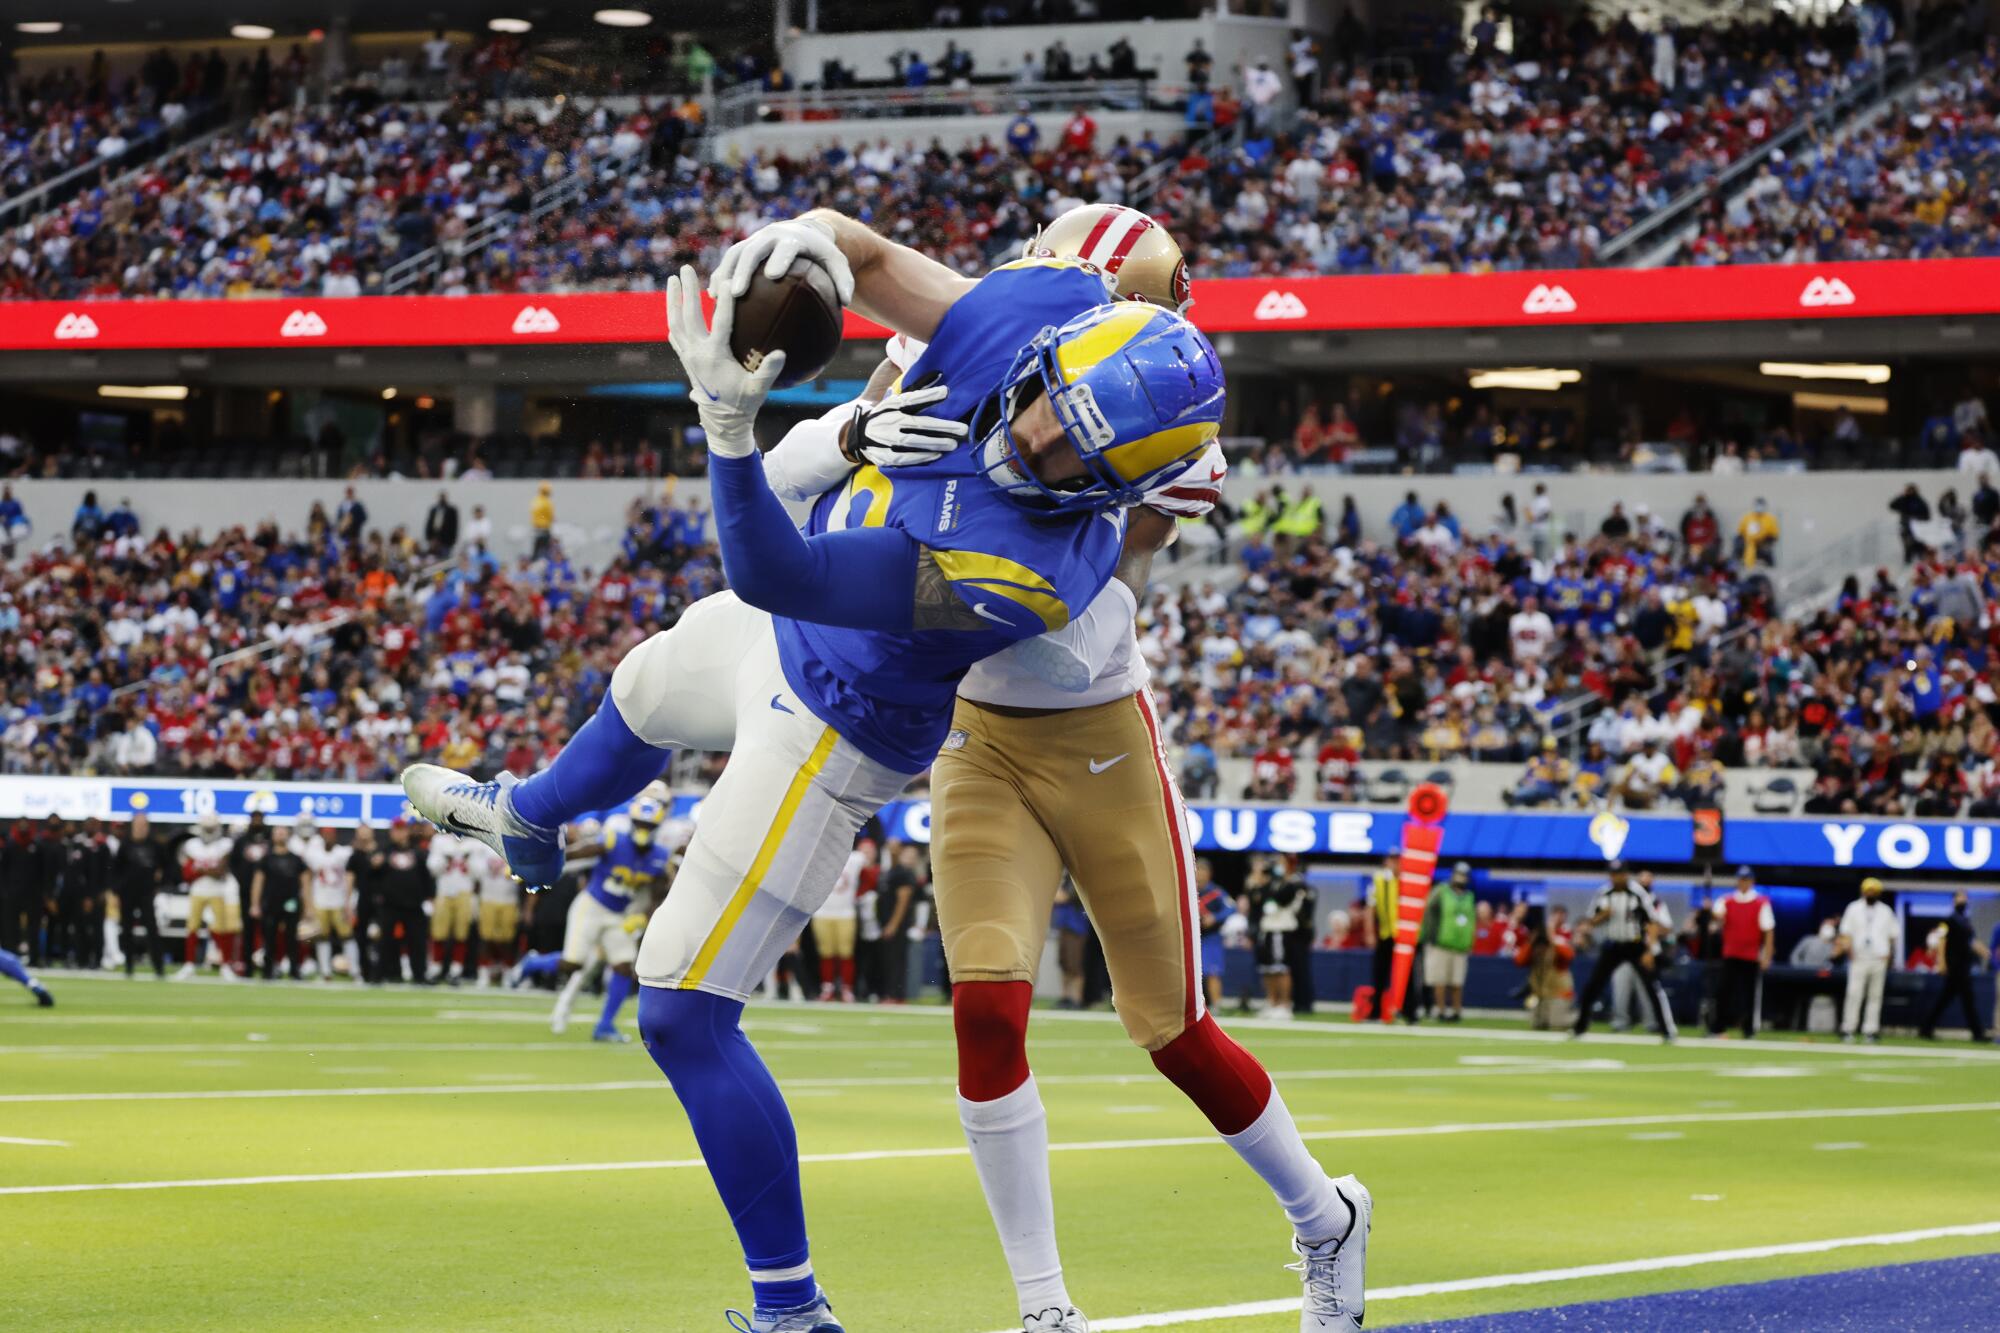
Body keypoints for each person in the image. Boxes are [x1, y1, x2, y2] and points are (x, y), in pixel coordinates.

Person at [403, 209, 1227, 1333]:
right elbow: (867, 254)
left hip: (833, 722)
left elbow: (774, 563)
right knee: (642, 690)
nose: (1034, 438)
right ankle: (528, 817)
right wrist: (796, 253)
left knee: (680, 1011)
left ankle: (788, 1309)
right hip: (773, 633)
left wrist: (728, 427)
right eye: (1047, 405)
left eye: (1069, 453)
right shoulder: (1042, 311)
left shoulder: (1027, 571)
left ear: (1111, 493)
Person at [511, 789, 676, 1040]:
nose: (643, 828)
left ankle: (605, 1026)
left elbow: (659, 893)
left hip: (618, 915)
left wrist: (644, 916)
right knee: (573, 962)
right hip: (592, 906)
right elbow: (578, 852)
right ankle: (532, 963)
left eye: (648, 824)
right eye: (640, 823)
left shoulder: (660, 856)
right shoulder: (613, 840)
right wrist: (539, 861)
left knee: (623, 967)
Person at [1570, 863, 1675, 1042]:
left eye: (1619, 874)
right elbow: (1590, 922)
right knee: (1593, 986)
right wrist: (1603, 915)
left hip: (1635, 945)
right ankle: (1580, 1027)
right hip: (1613, 945)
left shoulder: (1638, 893)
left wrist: (1649, 951)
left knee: (1651, 987)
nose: (1616, 878)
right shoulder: (1604, 893)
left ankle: (1666, 1030)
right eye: (1613, 874)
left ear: (1626, 875)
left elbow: (1651, 923)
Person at [297, 817, 363, 983]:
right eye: (325, 834)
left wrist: (349, 901)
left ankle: (355, 971)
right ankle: (325, 972)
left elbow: (352, 870)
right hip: (320, 900)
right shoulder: (314, 854)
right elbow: (306, 876)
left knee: (347, 936)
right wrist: (308, 903)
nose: (328, 837)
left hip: (339, 901)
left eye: (331, 834)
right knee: (322, 937)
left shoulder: (343, 853)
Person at [1710, 866, 1773, 1038]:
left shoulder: (1761, 903)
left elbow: (1768, 930)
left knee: (1749, 994)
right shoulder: (1727, 901)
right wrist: (1711, 912)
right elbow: (1717, 919)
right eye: (1741, 879)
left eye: (1746, 879)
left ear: (1752, 881)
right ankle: (1718, 1028)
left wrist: (1767, 955)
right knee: (1724, 992)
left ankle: (1749, 1029)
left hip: (1751, 954)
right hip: (1731, 953)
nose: (1743, 883)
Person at [175, 814, 240, 981]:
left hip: (217, 891)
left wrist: (201, 869)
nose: (209, 831)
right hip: (197, 890)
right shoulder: (192, 845)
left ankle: (225, 965)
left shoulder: (224, 844)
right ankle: (189, 964)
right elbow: (187, 873)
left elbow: (220, 872)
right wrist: (207, 869)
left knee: (221, 928)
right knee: (192, 927)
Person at [1919, 891, 1989, 1042]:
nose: (1962, 901)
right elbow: (1942, 941)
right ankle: (1977, 1033)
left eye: (1964, 898)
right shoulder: (1948, 920)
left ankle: (1926, 1028)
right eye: (1960, 898)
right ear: (1953, 901)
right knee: (1965, 1000)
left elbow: (1972, 942)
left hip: (1964, 966)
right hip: (1953, 966)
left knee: (1948, 1000)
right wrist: (1942, 962)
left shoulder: (1966, 921)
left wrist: (1987, 954)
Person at [1835, 877, 1897, 1043]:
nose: (1871, 893)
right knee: (1854, 993)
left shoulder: (1886, 911)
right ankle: (1848, 1028)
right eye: (1868, 890)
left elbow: (1893, 935)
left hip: (1879, 957)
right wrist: (1849, 950)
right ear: (1863, 891)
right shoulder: (1853, 908)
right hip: (1859, 956)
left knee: (1875, 995)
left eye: (1874, 891)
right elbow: (1846, 932)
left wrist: (1889, 954)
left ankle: (1871, 1030)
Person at [249, 823, 309, 981]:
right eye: (278, 832)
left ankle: (294, 970)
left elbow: (305, 883)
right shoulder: (266, 859)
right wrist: (255, 904)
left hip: (291, 903)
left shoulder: (296, 859)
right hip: (271, 903)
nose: (281, 835)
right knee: (269, 938)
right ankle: (268, 971)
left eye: (284, 832)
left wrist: (308, 906)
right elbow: (258, 882)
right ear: (273, 836)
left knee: (292, 938)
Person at [1419, 862, 1476, 1022]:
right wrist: (1430, 935)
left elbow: (1472, 921)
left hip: (1460, 945)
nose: (1461, 878)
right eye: (1459, 874)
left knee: (1457, 981)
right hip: (1441, 943)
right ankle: (1441, 1011)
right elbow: (1428, 912)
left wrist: (1470, 941)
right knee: (1440, 980)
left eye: (1464, 875)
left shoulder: (1469, 896)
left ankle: (1457, 1011)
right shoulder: (1441, 891)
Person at [114, 814, 170, 978]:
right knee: (126, 930)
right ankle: (129, 966)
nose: (140, 828)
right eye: (138, 825)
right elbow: (116, 869)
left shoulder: (155, 845)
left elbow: (167, 867)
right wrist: (117, 891)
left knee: (152, 929)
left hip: (147, 893)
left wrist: (159, 884)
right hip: (127, 893)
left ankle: (158, 967)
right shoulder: (125, 844)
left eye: (143, 825)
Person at [812, 840, 865, 1002]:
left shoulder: (855, 858)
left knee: (846, 953)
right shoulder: (819, 856)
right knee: (826, 953)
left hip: (845, 912)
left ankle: (846, 989)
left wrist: (860, 895)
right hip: (823, 911)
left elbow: (871, 868)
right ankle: (827, 987)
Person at [1195, 858, 1244, 1011]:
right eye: (1198, 871)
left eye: (1203, 871)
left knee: (1212, 970)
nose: (1200, 875)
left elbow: (1231, 908)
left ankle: (1216, 1005)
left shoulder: (1215, 892)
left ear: (1209, 874)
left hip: (1211, 936)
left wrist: (1215, 918)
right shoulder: (1188, 890)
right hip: (1192, 937)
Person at [472, 838, 523, 987]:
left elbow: (524, 873)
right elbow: (475, 870)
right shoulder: (482, 844)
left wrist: (515, 872)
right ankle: (483, 973)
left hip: (509, 899)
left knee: (507, 940)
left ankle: (507, 973)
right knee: (485, 938)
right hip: (488, 897)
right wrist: (489, 868)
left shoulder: (515, 843)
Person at [1368, 853, 1400, 1021]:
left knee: (1404, 976)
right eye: (1391, 859)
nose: (1394, 863)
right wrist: (1370, 933)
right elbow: (1370, 908)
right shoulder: (1379, 880)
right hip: (1385, 933)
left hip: (1403, 937)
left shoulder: (1406, 880)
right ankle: (1376, 1011)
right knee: (1379, 975)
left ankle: (1406, 1011)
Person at [529, 481, 554, 559]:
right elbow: (551, 516)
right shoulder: (547, 503)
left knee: (536, 551)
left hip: (536, 529)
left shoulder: (535, 501)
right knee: (547, 552)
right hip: (545, 529)